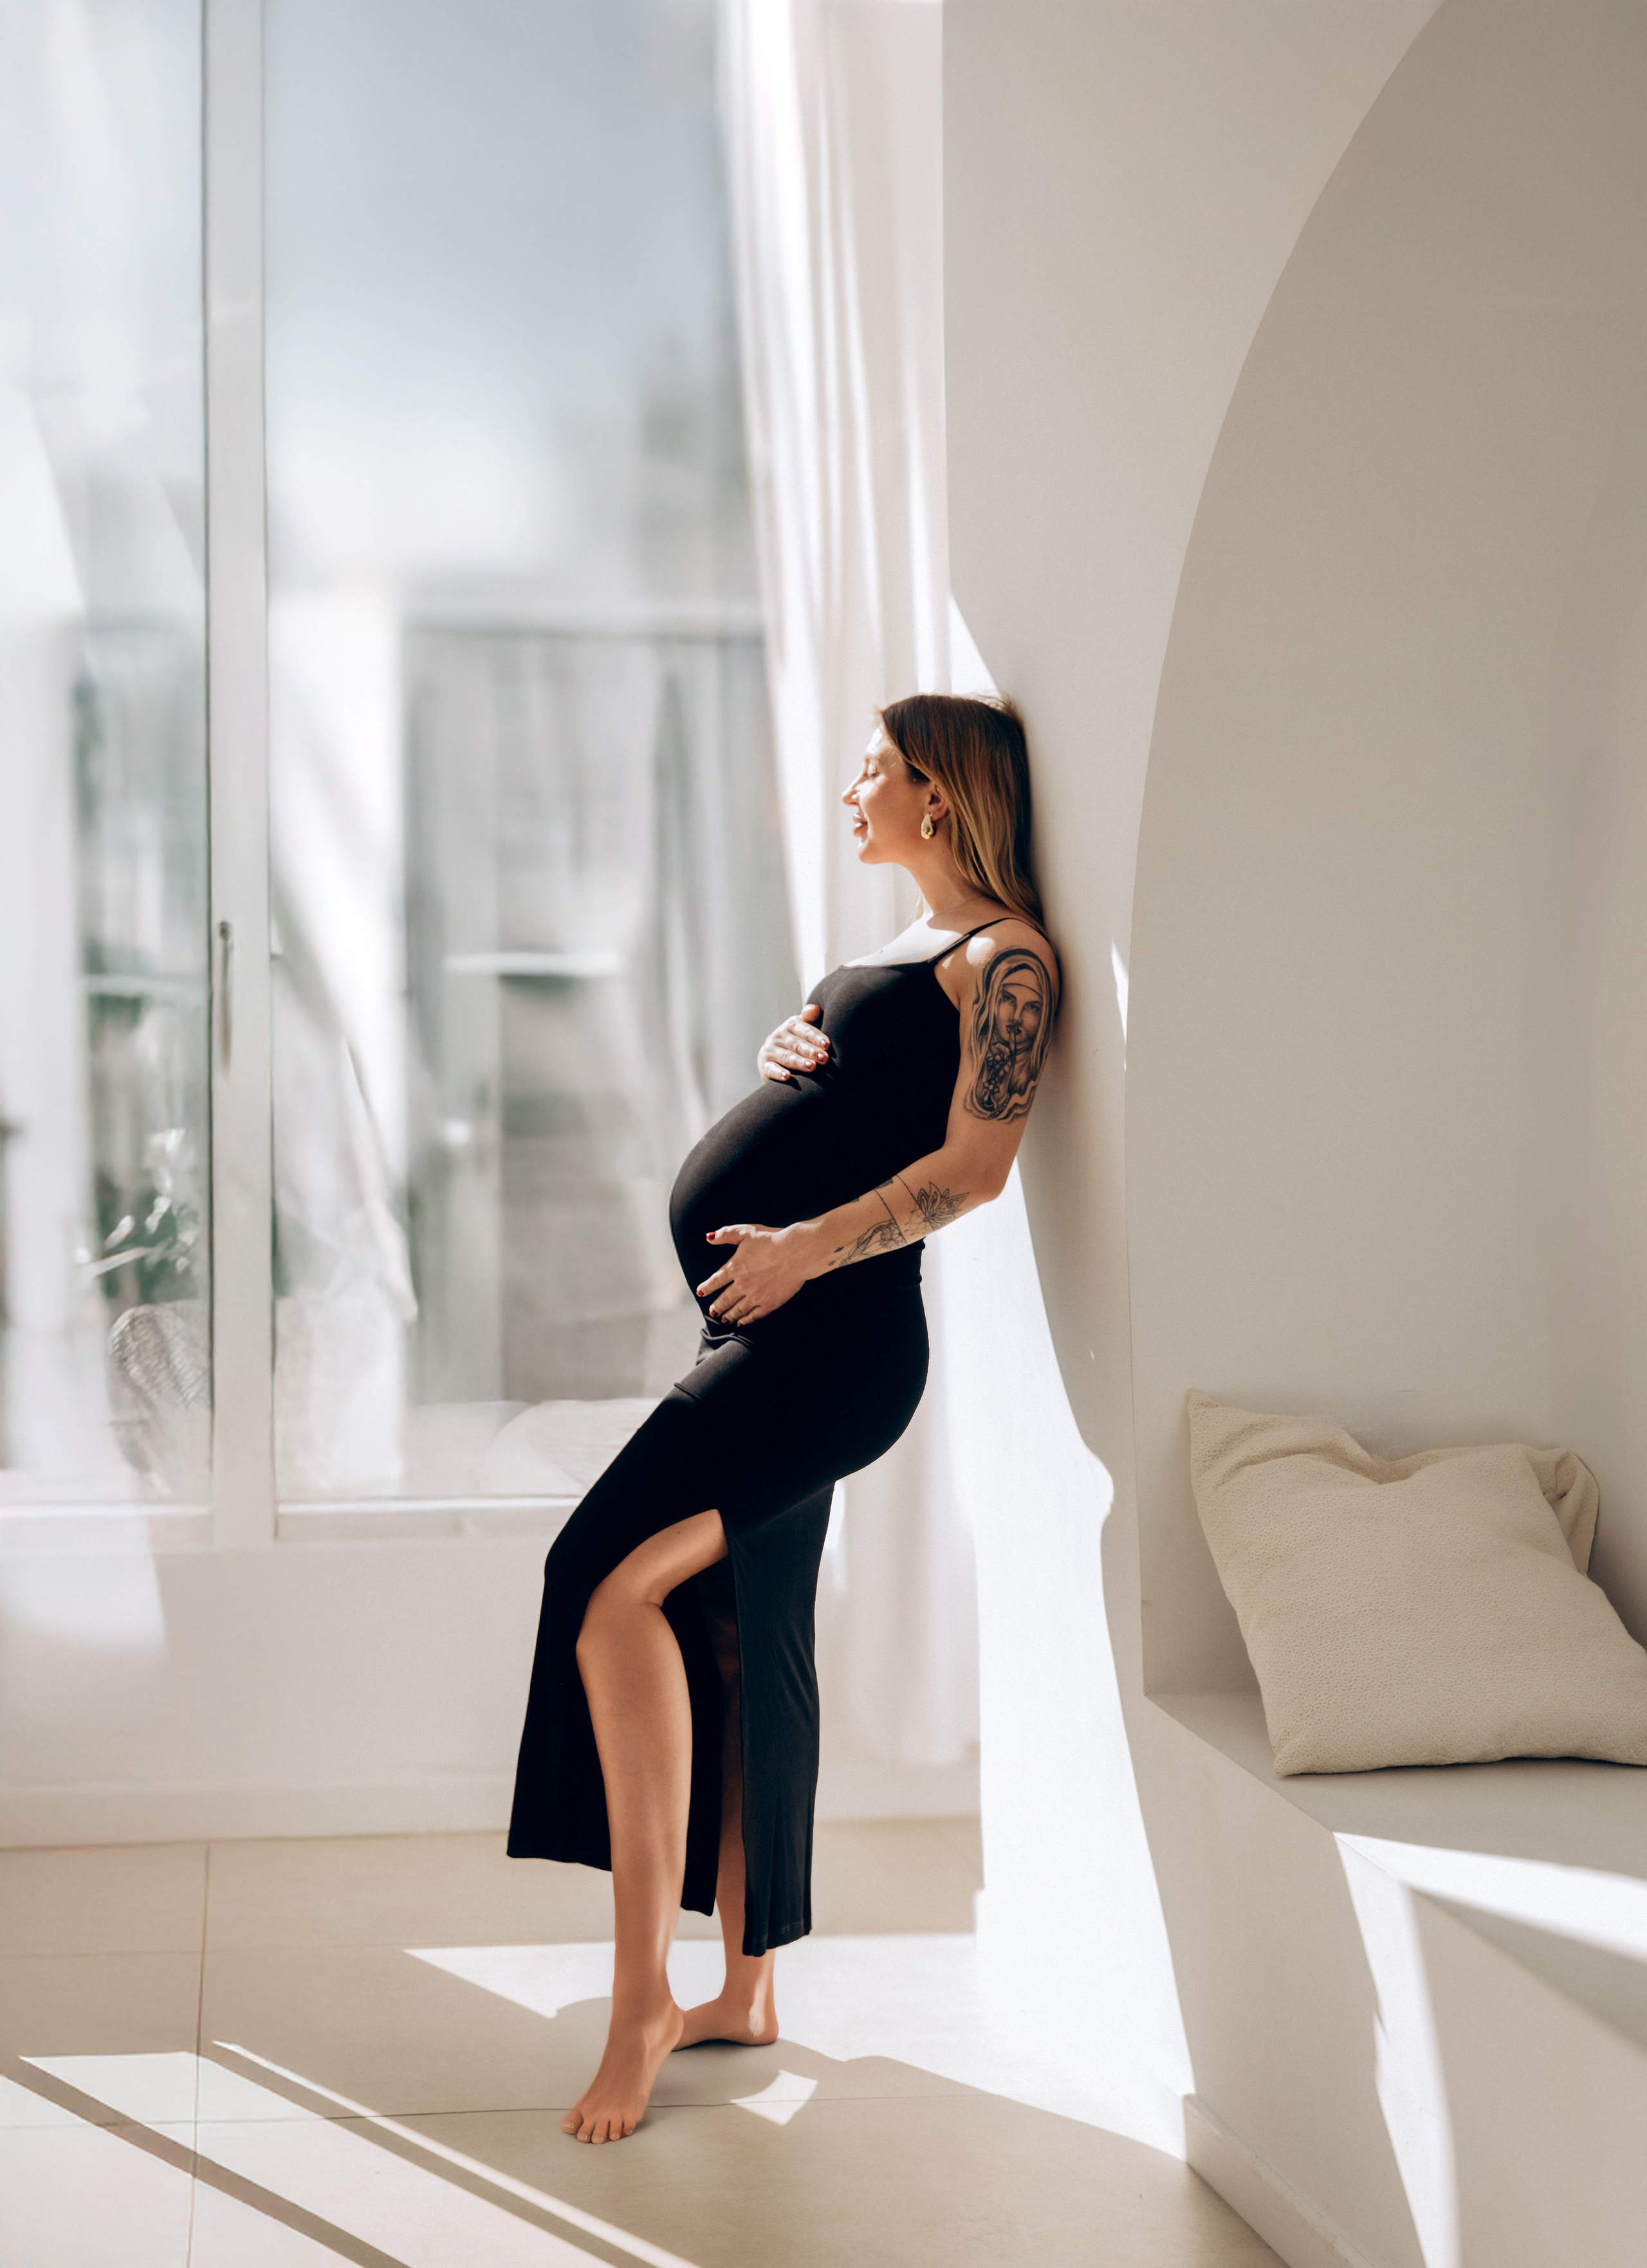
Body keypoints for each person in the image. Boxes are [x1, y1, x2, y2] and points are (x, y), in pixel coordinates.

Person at [507, 691, 1059, 2143]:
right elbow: (873, 1092)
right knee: (752, 1633)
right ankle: (745, 1985)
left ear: (938, 797)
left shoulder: (1008, 960)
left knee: (604, 1577)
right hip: (768, 1318)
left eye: (869, 771)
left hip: (831, 1345)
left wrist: (800, 1244)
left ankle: (639, 1996)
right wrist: (789, 1058)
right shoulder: (910, 949)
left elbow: (978, 1168)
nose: (847, 792)